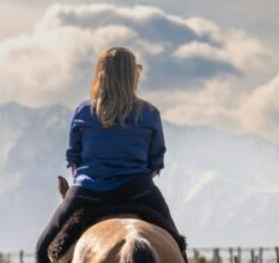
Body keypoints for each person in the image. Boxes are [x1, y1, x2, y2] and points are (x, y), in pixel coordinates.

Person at [35, 47, 183, 263]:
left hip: (89, 191)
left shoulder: (84, 112)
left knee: (43, 249)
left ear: (100, 74)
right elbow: (156, 160)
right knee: (178, 246)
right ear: (134, 75)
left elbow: (74, 157)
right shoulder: (149, 113)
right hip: (139, 191)